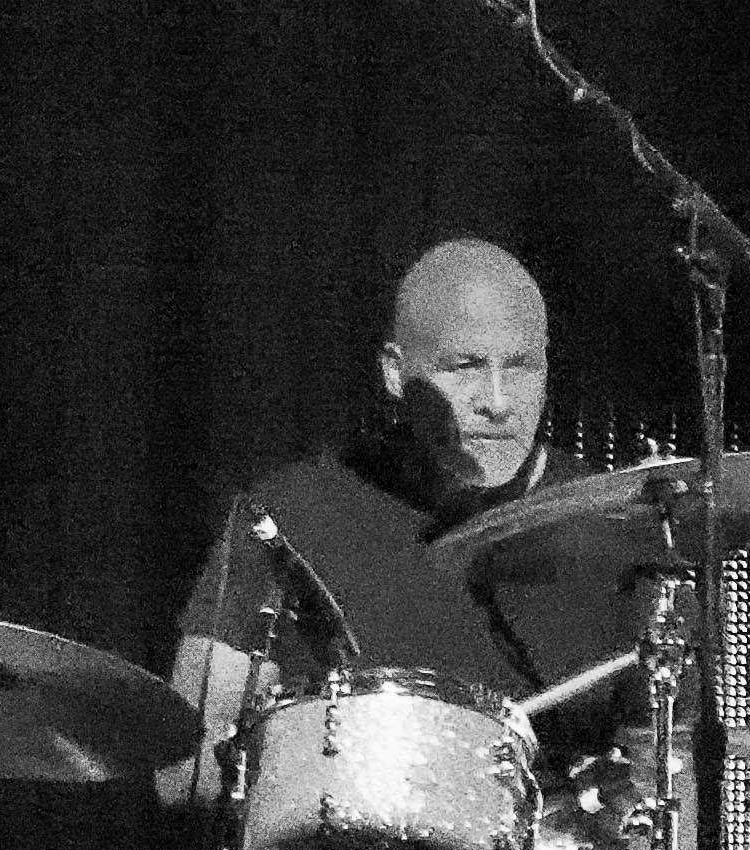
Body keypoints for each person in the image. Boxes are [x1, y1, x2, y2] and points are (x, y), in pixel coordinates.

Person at [165, 235, 632, 762]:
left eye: (522, 367)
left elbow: (668, 783)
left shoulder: (622, 523)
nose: (499, 403)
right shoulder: (288, 518)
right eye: (466, 367)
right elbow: (188, 771)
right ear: (395, 371)